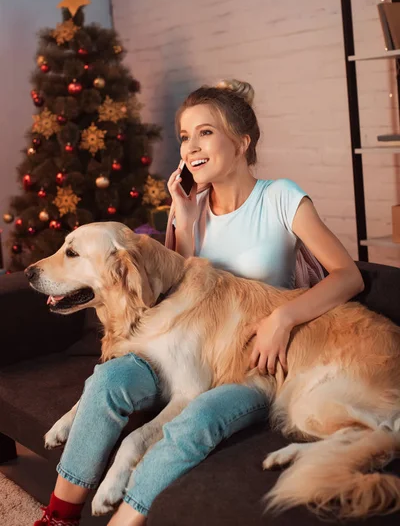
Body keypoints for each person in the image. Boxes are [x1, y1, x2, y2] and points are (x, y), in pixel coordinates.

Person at [34, 79, 364, 526]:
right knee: (108, 380)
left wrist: (283, 318)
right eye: (185, 137)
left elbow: (349, 276)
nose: (191, 146)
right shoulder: (189, 206)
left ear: (243, 140)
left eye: (205, 132)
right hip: (184, 350)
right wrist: (185, 221)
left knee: (199, 416)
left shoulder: (282, 197)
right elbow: (185, 295)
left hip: (252, 361)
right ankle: (58, 515)